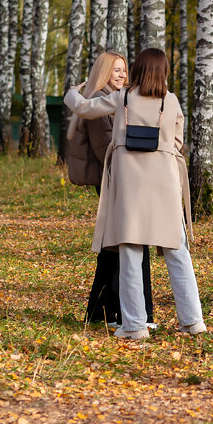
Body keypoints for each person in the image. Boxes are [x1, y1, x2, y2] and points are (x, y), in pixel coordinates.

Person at [65, 48, 205, 340]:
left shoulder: (123, 98)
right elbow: (177, 141)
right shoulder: (172, 100)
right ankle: (193, 321)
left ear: (139, 69)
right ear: (164, 71)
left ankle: (135, 326)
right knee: (178, 252)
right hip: (166, 184)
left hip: (130, 186)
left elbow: (84, 108)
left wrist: (72, 92)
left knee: (130, 252)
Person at [65, 51, 154, 328]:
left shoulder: (115, 100)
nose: (122, 75)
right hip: (116, 180)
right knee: (128, 243)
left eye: (124, 70)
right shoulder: (99, 103)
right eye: (116, 70)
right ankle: (130, 314)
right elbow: (105, 149)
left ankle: (101, 312)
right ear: (104, 72)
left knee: (114, 247)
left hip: (125, 179)